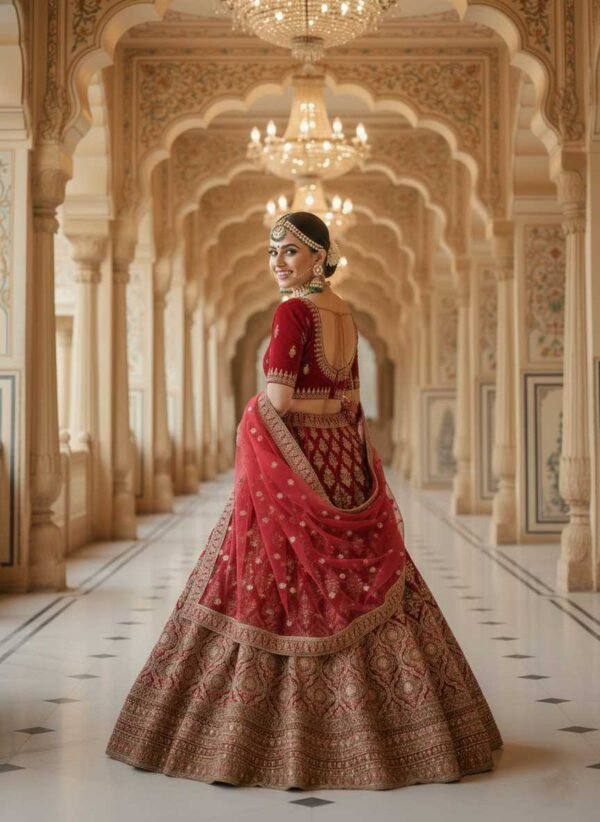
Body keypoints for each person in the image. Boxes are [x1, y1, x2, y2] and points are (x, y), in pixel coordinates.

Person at [106, 212, 502, 789]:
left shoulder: (294, 311)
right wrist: (344, 443)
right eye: (273, 253)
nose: (278, 264)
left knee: (274, 578)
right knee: (357, 581)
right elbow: (349, 403)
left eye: (289, 252)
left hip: (299, 462)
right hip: (341, 461)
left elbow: (279, 401)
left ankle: (256, 738)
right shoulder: (345, 314)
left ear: (319, 255)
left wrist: (254, 417)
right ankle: (414, 731)